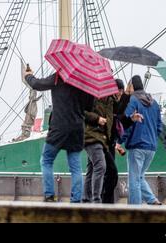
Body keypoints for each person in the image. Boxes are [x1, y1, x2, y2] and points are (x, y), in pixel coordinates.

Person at [24, 69, 94, 203]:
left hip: (59, 127)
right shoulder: (85, 83)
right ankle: (75, 201)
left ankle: (50, 196)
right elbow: (89, 107)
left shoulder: (59, 76)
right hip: (77, 128)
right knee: (76, 167)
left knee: (46, 160)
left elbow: (37, 84)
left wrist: (28, 76)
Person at [118, 75, 162, 205]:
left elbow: (127, 123)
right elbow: (159, 126)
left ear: (131, 86)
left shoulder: (133, 100)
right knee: (139, 176)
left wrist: (119, 141)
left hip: (137, 145)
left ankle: (135, 210)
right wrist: (153, 137)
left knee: (133, 180)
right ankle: (151, 199)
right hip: (152, 147)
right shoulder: (154, 102)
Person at [83, 94, 116, 203]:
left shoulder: (111, 100)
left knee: (92, 167)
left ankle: (86, 199)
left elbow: (111, 121)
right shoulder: (91, 96)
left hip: (103, 139)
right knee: (101, 166)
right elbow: (81, 112)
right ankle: (96, 200)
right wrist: (97, 119)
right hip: (92, 136)